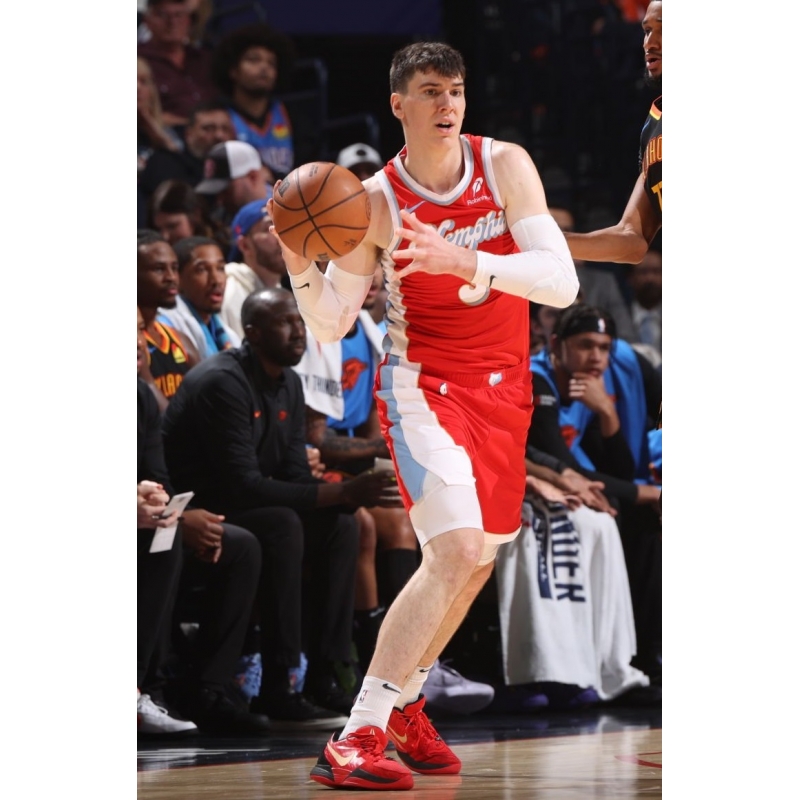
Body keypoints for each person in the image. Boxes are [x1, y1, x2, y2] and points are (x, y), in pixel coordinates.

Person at [268, 41, 579, 790]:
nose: (448, 104)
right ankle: (357, 733)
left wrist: (464, 260)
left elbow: (560, 283)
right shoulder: (374, 200)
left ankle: (407, 699)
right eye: (432, 91)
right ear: (398, 105)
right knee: (455, 546)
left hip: (504, 390)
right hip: (423, 385)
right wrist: (297, 257)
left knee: (478, 559)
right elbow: (332, 321)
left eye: (457, 90)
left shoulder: (504, 164)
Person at [161, 287, 402, 729]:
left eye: (300, 322)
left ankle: (326, 674)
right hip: (201, 508)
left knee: (341, 525)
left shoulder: (289, 383)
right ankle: (280, 681)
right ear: (253, 332)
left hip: (247, 504)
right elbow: (242, 486)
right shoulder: (223, 382)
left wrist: (347, 497)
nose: (298, 332)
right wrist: (344, 491)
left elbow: (294, 474)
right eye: (285, 323)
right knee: (283, 523)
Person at [137, 306, 271, 736]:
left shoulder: (140, 396)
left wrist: (169, 509)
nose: (138, 343)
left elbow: (158, 477)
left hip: (142, 520)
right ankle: (144, 686)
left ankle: (207, 689)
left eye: (139, 331)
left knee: (238, 544)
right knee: (163, 540)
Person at [528, 303, 662, 687]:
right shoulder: (538, 381)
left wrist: (607, 414)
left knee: (646, 524)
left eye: (604, 348)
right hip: (533, 490)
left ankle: (646, 656)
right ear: (557, 344)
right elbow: (565, 466)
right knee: (629, 512)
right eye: (586, 345)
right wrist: (649, 493)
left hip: (568, 488)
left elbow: (616, 471)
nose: (597, 357)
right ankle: (614, 660)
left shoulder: (586, 389)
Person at [563, 1, 661, 265]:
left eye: (663, 30)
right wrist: (540, 243)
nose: (649, 43)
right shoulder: (655, 124)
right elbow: (632, 240)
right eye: (647, 31)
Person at [210, 23, 296, 182]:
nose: (264, 67)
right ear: (233, 70)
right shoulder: (218, 115)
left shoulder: (290, 115)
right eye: (253, 60)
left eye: (271, 63)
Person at [137, 230, 201, 405]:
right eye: (159, 269)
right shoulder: (138, 344)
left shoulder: (179, 338)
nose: (171, 277)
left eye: (174, 268)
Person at [139, 100, 237, 208]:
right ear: (188, 134)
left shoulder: (239, 168)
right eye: (208, 128)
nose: (219, 135)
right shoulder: (164, 163)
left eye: (225, 129)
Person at [157, 236, 241, 360]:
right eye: (201, 270)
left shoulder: (229, 334)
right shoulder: (166, 325)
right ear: (178, 277)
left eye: (220, 268)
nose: (216, 280)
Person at [220, 192, 289, 340]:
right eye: (269, 229)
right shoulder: (232, 294)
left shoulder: (281, 291)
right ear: (244, 245)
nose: (281, 237)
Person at [137, 0, 216, 127]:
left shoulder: (205, 58)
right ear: (147, 21)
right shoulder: (138, 60)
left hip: (216, 131)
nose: (172, 22)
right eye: (163, 15)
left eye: (179, 15)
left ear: (189, 21)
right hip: (163, 133)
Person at [195, 140, 271, 228]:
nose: (220, 201)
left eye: (226, 191)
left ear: (252, 177)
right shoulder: (220, 218)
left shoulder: (282, 209)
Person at [147, 179, 230, 252]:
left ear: (196, 215)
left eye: (172, 226)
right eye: (158, 229)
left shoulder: (225, 252)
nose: (165, 237)